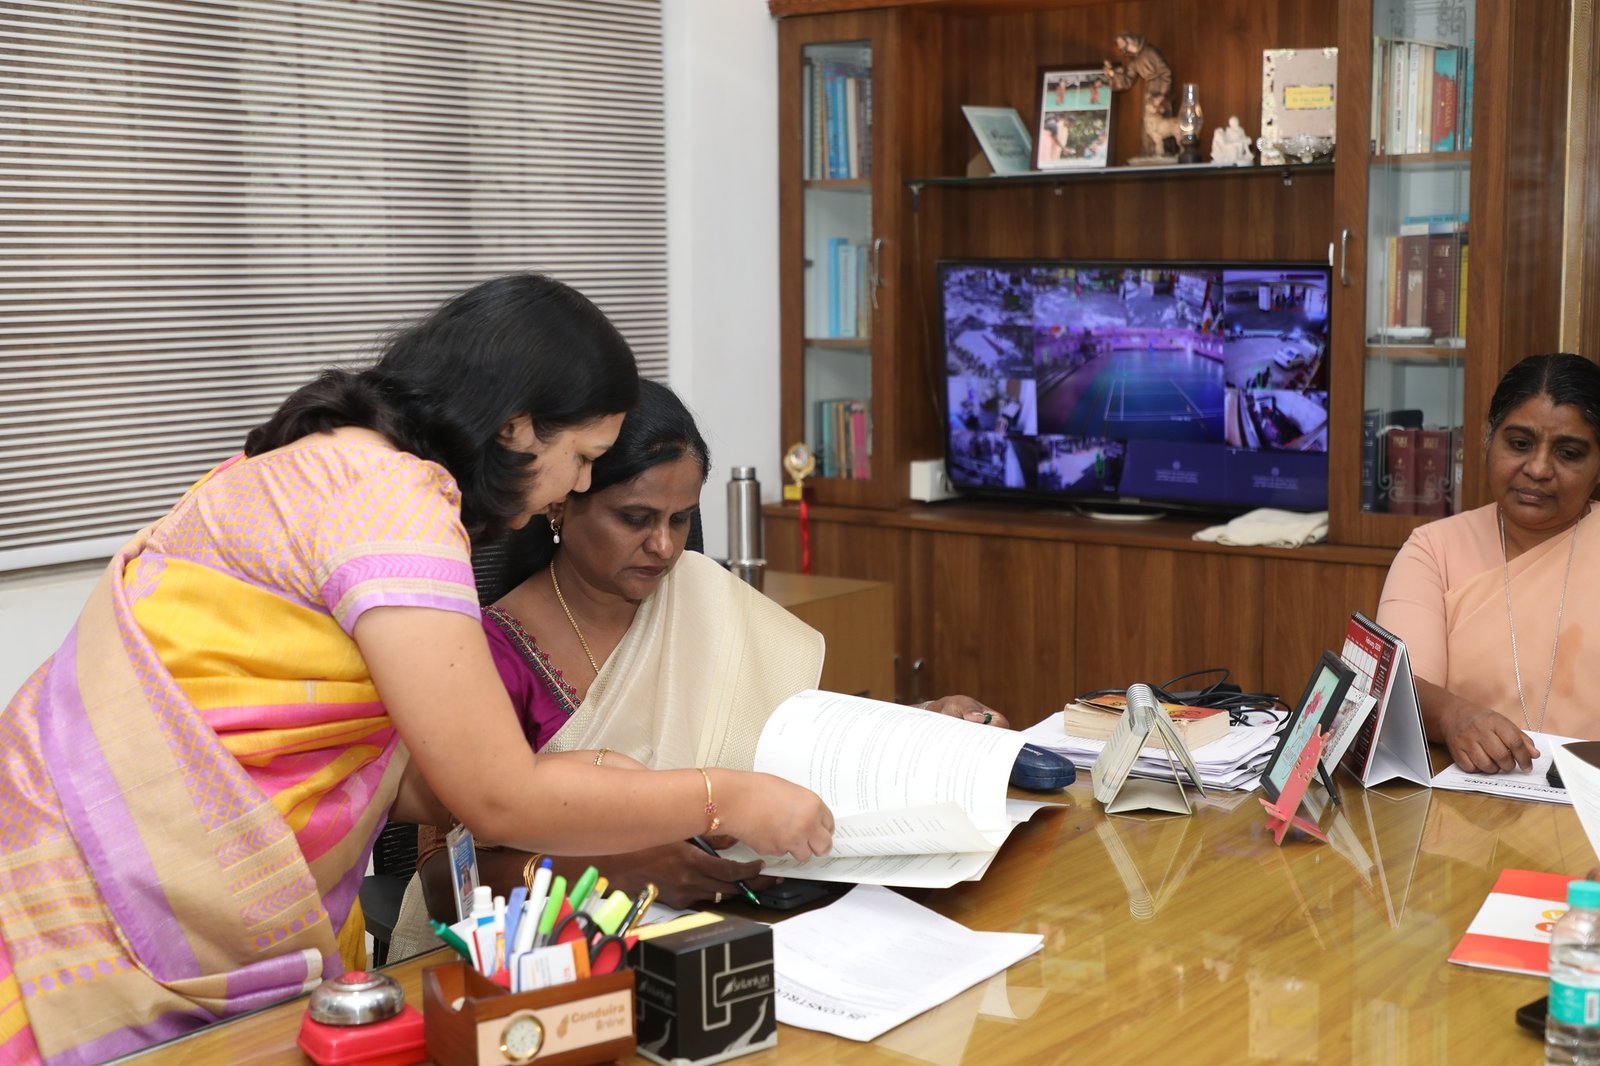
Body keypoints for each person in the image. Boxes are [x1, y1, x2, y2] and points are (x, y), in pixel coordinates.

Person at [0, 275, 833, 1063]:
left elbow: (337, 751)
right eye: (584, 457)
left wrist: (588, 779)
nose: (572, 488)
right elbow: (496, 797)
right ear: (517, 428)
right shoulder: (393, 503)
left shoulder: (327, 464)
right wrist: (728, 796)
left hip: (100, 843)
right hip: (99, 892)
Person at [392, 380, 1006, 945]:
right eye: (635, 519)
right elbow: (445, 877)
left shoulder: (703, 597)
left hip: (745, 927)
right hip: (553, 958)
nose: (663, 546)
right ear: (562, 502)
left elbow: (798, 737)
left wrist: (921, 727)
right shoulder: (484, 653)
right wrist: (619, 871)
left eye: (680, 519)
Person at [1376, 353, 1600, 775]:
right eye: (1519, 444)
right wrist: (1453, 715)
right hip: (1469, 795)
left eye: (1569, 453)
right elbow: (1397, 687)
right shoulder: (1434, 549)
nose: (1538, 469)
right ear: (1487, 439)